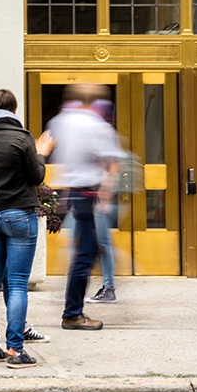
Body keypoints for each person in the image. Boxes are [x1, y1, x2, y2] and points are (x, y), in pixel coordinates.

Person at [0, 88, 56, 368]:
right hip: (18, 214)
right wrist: (41, 153)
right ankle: (16, 351)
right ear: (14, 111)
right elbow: (37, 177)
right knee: (17, 284)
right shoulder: (22, 137)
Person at [48, 84, 122, 331]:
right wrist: (105, 196)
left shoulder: (59, 122)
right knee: (85, 256)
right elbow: (111, 164)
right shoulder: (97, 126)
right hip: (89, 195)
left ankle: (73, 309)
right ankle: (73, 313)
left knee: (80, 253)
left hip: (72, 195)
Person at [87, 98, 121, 305]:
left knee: (103, 243)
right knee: (94, 242)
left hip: (99, 197)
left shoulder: (104, 132)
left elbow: (113, 167)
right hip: (93, 196)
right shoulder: (98, 131)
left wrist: (104, 195)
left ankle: (109, 287)